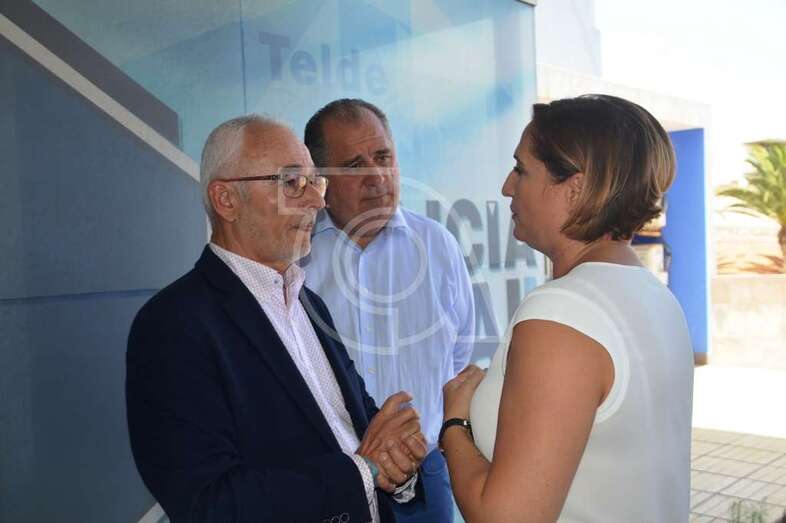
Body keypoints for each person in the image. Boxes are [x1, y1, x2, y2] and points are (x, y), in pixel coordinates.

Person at [126, 115, 428, 523]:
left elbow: (359, 431)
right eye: (292, 183)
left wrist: (398, 463)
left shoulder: (309, 303)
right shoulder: (172, 326)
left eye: (315, 182)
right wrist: (364, 470)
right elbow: (210, 504)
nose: (317, 201)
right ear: (226, 200)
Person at [440, 94, 694, 522]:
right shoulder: (654, 296)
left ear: (574, 189)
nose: (507, 186)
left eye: (521, 169)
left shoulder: (562, 313)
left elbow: (506, 518)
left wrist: (455, 424)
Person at [301, 98, 476, 522]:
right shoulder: (296, 259)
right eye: (354, 165)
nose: (377, 177)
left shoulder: (437, 246)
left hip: (425, 479)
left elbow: (458, 355)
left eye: (383, 157)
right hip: (332, 480)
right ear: (321, 179)